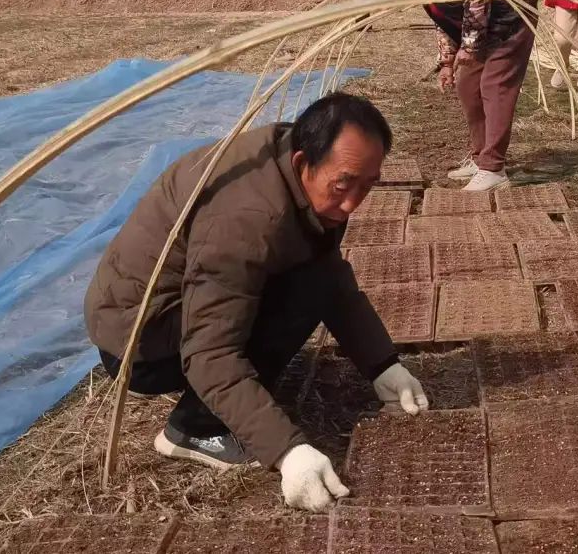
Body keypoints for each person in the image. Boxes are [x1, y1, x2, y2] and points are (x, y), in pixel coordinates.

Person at [84, 93, 429, 512]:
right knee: (298, 294)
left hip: (179, 313)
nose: (353, 203)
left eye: (366, 186)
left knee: (312, 277)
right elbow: (210, 352)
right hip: (140, 342)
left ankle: (214, 410)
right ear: (304, 162)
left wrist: (381, 364)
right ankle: (194, 427)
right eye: (343, 184)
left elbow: (330, 274)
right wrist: (287, 452)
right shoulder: (248, 220)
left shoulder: (293, 173)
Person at [374, 0, 535, 192]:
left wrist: (470, 48)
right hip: (485, 25)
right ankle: (480, 157)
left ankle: (493, 168)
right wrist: (447, 62)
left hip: (511, 16)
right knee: (467, 86)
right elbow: (442, 13)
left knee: (493, 86)